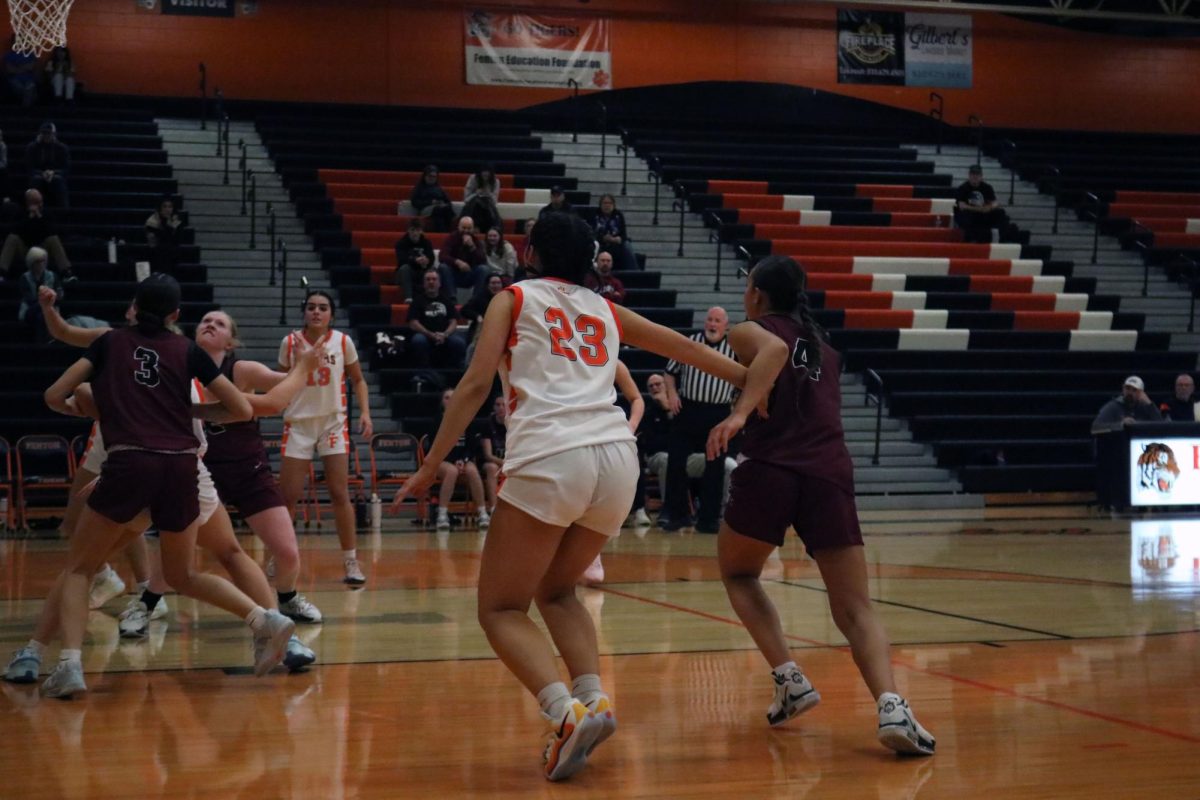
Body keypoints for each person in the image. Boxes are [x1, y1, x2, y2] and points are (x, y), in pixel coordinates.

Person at [387, 212, 761, 782]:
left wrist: (432, 462)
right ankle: (594, 701)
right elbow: (706, 359)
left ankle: (564, 713)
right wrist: (758, 390)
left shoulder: (512, 298)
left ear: (530, 250)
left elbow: (472, 386)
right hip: (616, 460)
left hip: (551, 455)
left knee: (499, 608)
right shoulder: (605, 308)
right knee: (557, 590)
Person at [709, 254, 936, 756]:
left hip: (772, 466)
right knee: (856, 606)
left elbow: (768, 352)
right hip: (828, 471)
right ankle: (893, 705)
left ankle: (790, 678)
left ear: (758, 296)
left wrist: (740, 412)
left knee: (739, 573)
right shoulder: (821, 350)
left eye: (748, 287)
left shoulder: (751, 330)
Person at [38, 274, 295, 697]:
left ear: (133, 307)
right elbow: (240, 408)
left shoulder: (109, 342)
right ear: (176, 315)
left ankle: (69, 666)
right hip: (182, 468)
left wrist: (80, 409)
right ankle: (264, 619)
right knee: (182, 573)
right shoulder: (188, 351)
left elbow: (54, 393)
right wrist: (188, 408)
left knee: (81, 567)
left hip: (131, 461)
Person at [196, 310, 324, 624]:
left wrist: (306, 366)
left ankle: (288, 598)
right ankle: (149, 601)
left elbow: (286, 385)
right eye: (205, 321)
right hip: (200, 470)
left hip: (247, 469)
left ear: (230, 343)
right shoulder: (181, 369)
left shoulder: (241, 369)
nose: (211, 324)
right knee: (178, 552)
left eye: (220, 323)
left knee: (287, 551)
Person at [277, 289, 374, 586]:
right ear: (304, 312)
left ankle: (351, 562)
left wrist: (365, 413)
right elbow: (278, 381)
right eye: (311, 307)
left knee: (339, 493)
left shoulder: (343, 342)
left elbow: (358, 379)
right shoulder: (290, 342)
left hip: (333, 423)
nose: (316, 312)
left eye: (322, 307)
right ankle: (279, 558)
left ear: (331, 313)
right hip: (299, 423)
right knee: (288, 497)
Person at [661, 306, 737, 533]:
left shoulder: (734, 350)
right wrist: (672, 394)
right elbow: (669, 372)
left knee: (715, 467)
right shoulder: (691, 342)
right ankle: (677, 516)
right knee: (676, 462)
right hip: (689, 410)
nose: (712, 324)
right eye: (710, 320)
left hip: (718, 414)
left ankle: (709, 520)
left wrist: (736, 410)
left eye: (717, 321)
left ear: (726, 325)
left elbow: (745, 380)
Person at [580, 360, 644, 586]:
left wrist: (631, 425)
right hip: (572, 433)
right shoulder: (565, 359)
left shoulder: (613, 362)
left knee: (596, 502)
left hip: (606, 436)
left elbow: (637, 399)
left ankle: (591, 554)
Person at [425, 386, 489, 531]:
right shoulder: (437, 421)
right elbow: (436, 447)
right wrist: (455, 461)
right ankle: (442, 514)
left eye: (453, 397)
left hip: (461, 459)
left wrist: (464, 459)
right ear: (442, 402)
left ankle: (482, 512)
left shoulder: (465, 418)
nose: (450, 401)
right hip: (441, 460)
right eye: (447, 398)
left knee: (472, 470)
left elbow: (472, 445)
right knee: (452, 471)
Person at [1, 188, 72, 281]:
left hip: (41, 249)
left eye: (40, 202)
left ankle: (66, 273)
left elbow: (52, 230)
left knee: (53, 239)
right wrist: (29, 218)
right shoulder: (20, 213)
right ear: (28, 203)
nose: (40, 205)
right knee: (12, 238)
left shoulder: (46, 213)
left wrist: (39, 217)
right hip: (24, 249)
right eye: (36, 202)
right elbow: (14, 230)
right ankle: (1, 272)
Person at [408, 269, 467, 369]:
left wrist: (445, 334)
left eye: (434, 279)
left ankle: (452, 373)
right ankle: (425, 373)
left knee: (459, 343)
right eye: (428, 279)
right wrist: (430, 334)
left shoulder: (447, 300)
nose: (431, 282)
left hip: (444, 334)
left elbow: (453, 321)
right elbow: (413, 323)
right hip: (424, 334)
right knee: (418, 341)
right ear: (424, 283)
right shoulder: (417, 301)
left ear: (439, 283)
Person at [17, 246, 61, 343]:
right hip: (31, 308)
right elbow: (29, 299)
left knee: (42, 315)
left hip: (49, 307)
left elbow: (58, 295)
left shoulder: (52, 276)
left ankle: (42, 342)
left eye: (43, 261)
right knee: (40, 313)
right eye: (38, 261)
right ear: (31, 263)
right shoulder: (25, 278)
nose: (41, 264)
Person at [954, 165, 1007, 244]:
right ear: (969, 175)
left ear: (981, 176)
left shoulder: (987, 187)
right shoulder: (962, 188)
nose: (975, 176)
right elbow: (962, 206)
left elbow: (995, 203)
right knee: (964, 215)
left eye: (977, 174)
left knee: (1001, 213)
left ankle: (999, 237)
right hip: (970, 215)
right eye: (973, 174)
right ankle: (971, 239)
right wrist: (981, 209)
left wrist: (989, 207)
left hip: (984, 214)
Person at [437, 215, 488, 294]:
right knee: (443, 267)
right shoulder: (451, 238)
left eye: (469, 228)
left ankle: (476, 301)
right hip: (453, 274)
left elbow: (483, 260)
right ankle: (452, 299)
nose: (466, 231)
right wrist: (458, 262)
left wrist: (472, 247)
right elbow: (442, 256)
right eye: (463, 228)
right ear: (459, 227)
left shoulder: (476, 241)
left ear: (473, 229)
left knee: (483, 269)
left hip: (469, 274)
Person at [460, 272, 505, 362]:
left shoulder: (507, 298)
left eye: (498, 283)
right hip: (481, 332)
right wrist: (477, 316)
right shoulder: (480, 297)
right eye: (493, 283)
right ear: (487, 285)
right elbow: (464, 310)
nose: (496, 286)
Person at [27, 121, 70, 208]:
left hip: (55, 174)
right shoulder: (32, 147)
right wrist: (41, 173)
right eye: (44, 133)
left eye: (49, 134)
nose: (47, 136)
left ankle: (62, 210)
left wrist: (53, 172)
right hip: (38, 173)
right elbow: (29, 166)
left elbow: (66, 168)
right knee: (36, 180)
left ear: (54, 134)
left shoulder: (62, 148)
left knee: (57, 180)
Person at [393, 218, 436, 300]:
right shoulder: (401, 243)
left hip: (421, 271)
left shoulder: (427, 243)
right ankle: (408, 297)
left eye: (418, 230)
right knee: (405, 268)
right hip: (406, 272)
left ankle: (432, 297)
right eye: (412, 230)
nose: (415, 233)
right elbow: (402, 260)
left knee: (433, 271)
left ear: (421, 231)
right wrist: (415, 260)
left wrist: (426, 261)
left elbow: (431, 258)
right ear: (408, 230)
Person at [592, 194, 637, 271]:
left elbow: (624, 234)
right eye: (605, 203)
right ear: (600, 205)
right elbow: (591, 233)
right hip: (600, 242)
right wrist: (603, 238)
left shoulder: (619, 215)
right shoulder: (594, 215)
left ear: (614, 205)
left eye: (610, 203)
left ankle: (633, 272)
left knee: (627, 245)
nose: (607, 205)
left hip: (616, 243)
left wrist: (618, 239)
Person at [479, 394, 507, 514]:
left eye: (503, 405)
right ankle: (493, 508)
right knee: (492, 468)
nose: (501, 407)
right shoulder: (488, 424)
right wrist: (504, 463)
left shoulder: (514, 423)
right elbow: (488, 455)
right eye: (497, 405)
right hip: (491, 462)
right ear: (493, 408)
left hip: (508, 462)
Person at [145, 195, 184, 275]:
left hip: (171, 252)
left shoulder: (176, 220)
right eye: (164, 206)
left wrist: (169, 226)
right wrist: (168, 228)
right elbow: (156, 240)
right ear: (160, 208)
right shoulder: (152, 221)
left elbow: (176, 240)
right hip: (155, 251)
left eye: (170, 207)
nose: (167, 209)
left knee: (168, 249)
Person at [410, 164, 454, 232]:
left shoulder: (438, 188)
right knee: (438, 209)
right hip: (426, 208)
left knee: (446, 209)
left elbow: (448, 200)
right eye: (430, 176)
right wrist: (431, 202)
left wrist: (445, 204)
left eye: (434, 177)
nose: (432, 178)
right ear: (425, 176)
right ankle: (441, 232)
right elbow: (414, 202)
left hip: (439, 207)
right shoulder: (419, 188)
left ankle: (448, 231)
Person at [462, 165, 502, 233]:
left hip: (488, 205)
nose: (485, 174)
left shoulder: (496, 181)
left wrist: (488, 194)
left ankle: (491, 230)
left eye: (487, 172)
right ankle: (474, 227)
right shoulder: (473, 178)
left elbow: (494, 201)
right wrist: (476, 193)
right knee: (477, 204)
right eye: (484, 172)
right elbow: (466, 198)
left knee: (487, 206)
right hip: (473, 204)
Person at [4, 36, 36, 107]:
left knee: (29, 87)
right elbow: (10, 70)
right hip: (14, 80)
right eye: (17, 41)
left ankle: (25, 110)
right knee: (22, 89)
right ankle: (26, 109)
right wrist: (24, 67)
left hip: (29, 80)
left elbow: (31, 67)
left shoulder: (30, 54)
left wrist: (16, 67)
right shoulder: (9, 55)